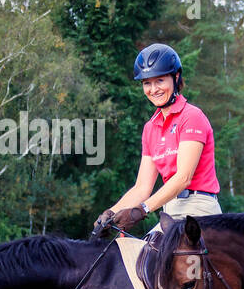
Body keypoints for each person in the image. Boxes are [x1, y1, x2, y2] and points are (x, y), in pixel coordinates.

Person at [93, 43, 220, 238]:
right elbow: (142, 187)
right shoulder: (150, 128)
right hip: (170, 213)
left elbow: (183, 178)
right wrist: (110, 214)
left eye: (160, 80)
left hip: (200, 210)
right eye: (147, 83)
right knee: (140, 259)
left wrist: (141, 210)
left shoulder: (192, 116)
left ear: (176, 78)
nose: (153, 89)